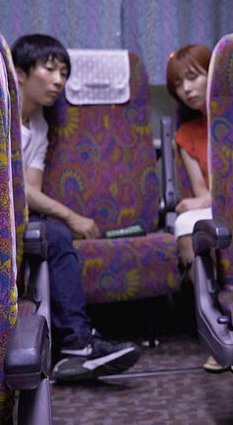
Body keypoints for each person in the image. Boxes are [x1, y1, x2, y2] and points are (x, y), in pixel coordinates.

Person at [12, 34, 140, 381]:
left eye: (64, 73)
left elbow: (30, 188)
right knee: (56, 232)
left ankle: (75, 343)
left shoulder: (39, 124)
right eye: (49, 69)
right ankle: (76, 342)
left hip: (17, 217)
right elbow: (15, 187)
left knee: (52, 234)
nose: (59, 81)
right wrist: (72, 217)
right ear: (20, 73)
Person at [165, 44, 229, 373]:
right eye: (178, 84)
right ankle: (221, 322)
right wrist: (201, 200)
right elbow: (201, 193)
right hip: (217, 205)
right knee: (186, 223)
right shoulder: (186, 134)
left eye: (193, 77)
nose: (186, 89)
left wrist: (205, 199)